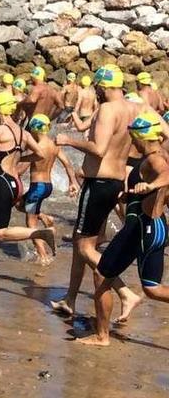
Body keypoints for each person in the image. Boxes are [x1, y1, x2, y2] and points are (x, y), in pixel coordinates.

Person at [51, 65, 143, 318]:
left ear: (102, 86)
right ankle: (70, 298)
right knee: (84, 240)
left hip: (99, 184)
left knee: (83, 247)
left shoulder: (107, 109)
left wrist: (68, 141)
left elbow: (99, 148)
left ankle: (126, 293)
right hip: (114, 182)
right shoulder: (135, 108)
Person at [79, 112, 169, 346]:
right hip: (155, 228)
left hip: (141, 228)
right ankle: (102, 332)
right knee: (152, 289)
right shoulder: (161, 155)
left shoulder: (154, 160)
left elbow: (166, 176)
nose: (132, 140)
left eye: (133, 136)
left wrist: (150, 185)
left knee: (101, 274)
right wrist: (129, 194)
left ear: (141, 137)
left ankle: (102, 336)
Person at [0, 91, 54, 276]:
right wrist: (20, 158)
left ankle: (39, 234)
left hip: (2, 182)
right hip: (16, 182)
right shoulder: (23, 133)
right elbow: (40, 153)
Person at [18, 115, 79, 265]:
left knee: (30, 224)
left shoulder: (37, 147)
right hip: (47, 186)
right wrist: (72, 182)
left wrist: (17, 160)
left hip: (37, 187)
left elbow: (21, 169)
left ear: (33, 129)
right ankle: (44, 217)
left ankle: (43, 255)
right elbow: (67, 163)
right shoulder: (53, 145)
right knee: (19, 204)